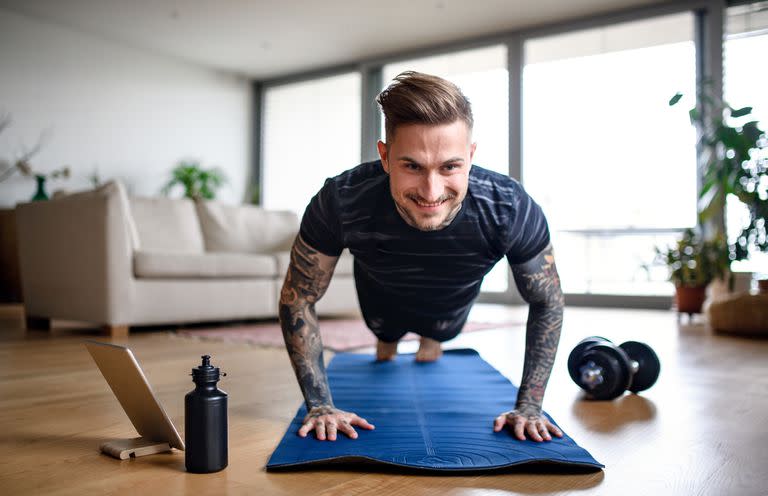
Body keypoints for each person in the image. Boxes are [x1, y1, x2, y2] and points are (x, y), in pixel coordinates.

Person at [279, 71, 564, 444]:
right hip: (380, 299)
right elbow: (298, 296)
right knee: (385, 336)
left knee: (437, 336)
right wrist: (319, 405)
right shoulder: (341, 200)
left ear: (471, 156)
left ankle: (432, 339)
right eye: (412, 166)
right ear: (384, 156)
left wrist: (529, 406)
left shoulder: (508, 206)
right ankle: (390, 340)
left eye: (450, 166)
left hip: (450, 308)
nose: (431, 192)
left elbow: (548, 300)